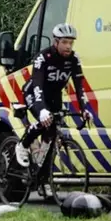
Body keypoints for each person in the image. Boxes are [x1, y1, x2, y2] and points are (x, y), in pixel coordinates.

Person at [16, 23, 93, 170]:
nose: (68, 46)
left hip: (54, 95)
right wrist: (42, 109)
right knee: (45, 120)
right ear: (55, 42)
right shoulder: (43, 58)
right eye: (64, 42)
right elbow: (37, 85)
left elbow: (79, 88)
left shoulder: (74, 59)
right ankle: (23, 145)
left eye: (71, 42)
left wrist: (84, 109)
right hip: (34, 93)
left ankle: (40, 162)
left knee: (52, 129)